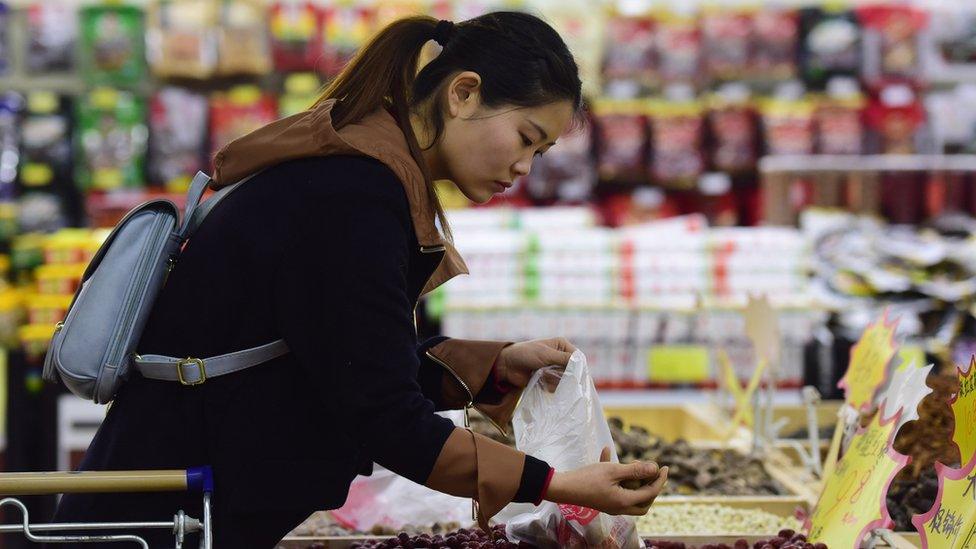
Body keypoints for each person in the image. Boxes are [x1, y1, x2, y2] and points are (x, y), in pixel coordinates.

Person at [51, 12, 668, 548]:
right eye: (526, 139)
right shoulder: (353, 196)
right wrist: (554, 484)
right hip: (163, 516)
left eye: (540, 153)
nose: (523, 167)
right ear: (464, 94)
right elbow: (383, 413)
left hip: (183, 498)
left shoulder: (358, 172)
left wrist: (497, 366)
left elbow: (343, 358)